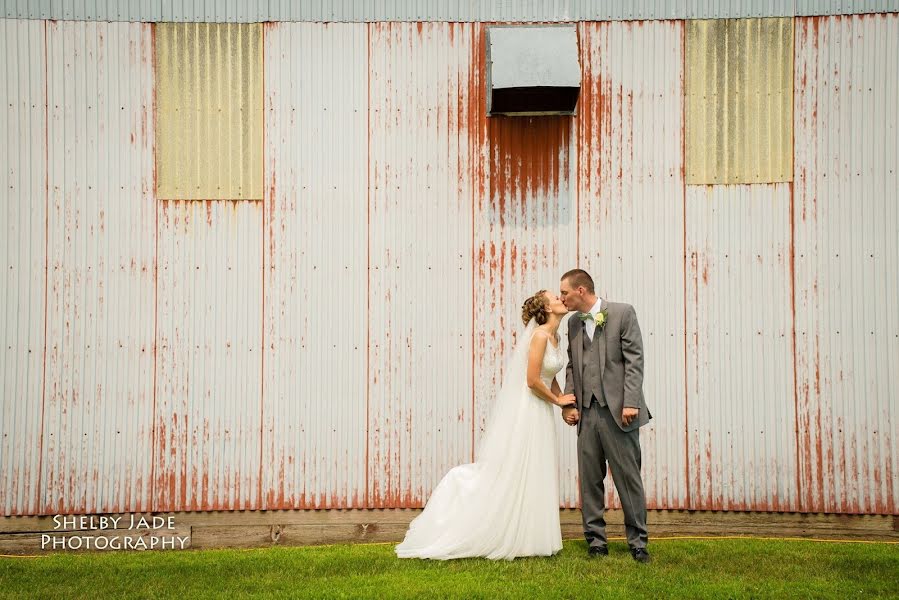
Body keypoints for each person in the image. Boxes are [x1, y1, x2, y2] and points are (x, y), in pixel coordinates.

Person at [395, 290, 575, 560]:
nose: (561, 299)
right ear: (548, 308)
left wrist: (561, 401)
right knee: (519, 467)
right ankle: (466, 499)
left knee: (535, 468)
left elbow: (548, 377)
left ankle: (529, 537)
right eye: (555, 297)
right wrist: (558, 401)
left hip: (542, 409)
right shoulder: (539, 336)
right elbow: (532, 381)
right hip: (529, 409)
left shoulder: (555, 336)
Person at [558, 269, 653, 563]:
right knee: (590, 480)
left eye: (564, 292)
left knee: (628, 479)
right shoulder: (573, 323)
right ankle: (595, 541)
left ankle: (638, 542)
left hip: (619, 413)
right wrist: (568, 404)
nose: (561, 298)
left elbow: (634, 361)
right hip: (586, 414)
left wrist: (631, 402)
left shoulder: (623, 313)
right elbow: (573, 366)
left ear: (582, 290)